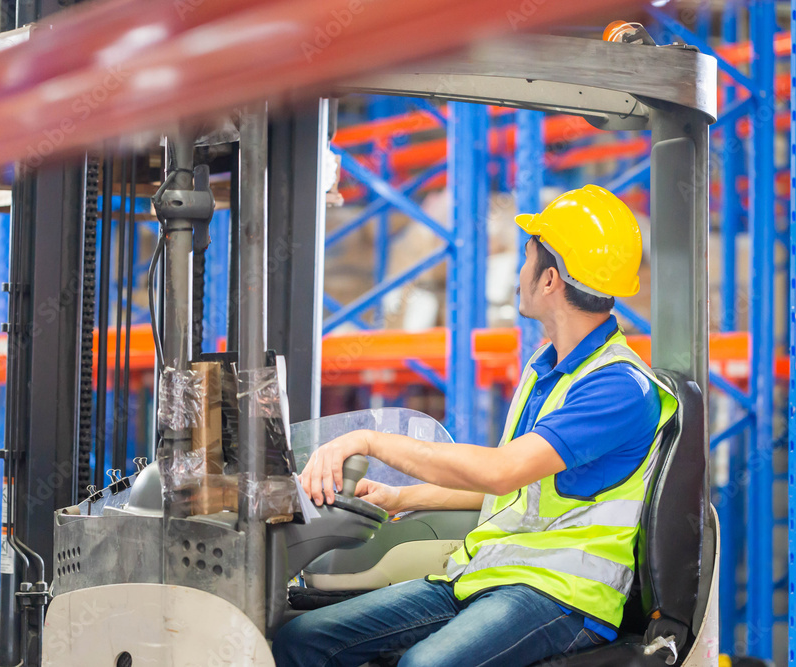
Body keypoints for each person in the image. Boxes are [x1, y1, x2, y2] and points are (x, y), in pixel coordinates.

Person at [273, 184, 679, 667]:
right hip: (490, 574)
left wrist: (368, 440)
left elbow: (502, 471)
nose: (518, 273)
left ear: (549, 279)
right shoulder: (548, 370)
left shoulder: (618, 387)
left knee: (425, 666)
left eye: (525, 258)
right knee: (302, 639)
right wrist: (402, 497)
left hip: (561, 596)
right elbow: (522, 491)